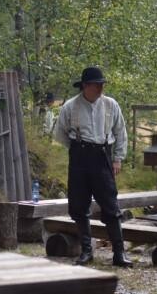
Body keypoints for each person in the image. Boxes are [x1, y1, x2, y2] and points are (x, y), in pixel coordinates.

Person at [54, 66, 132, 267]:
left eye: (102, 85)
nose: (100, 88)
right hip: (79, 156)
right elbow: (60, 133)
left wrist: (118, 158)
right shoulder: (70, 106)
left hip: (102, 155)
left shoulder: (110, 104)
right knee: (79, 205)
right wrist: (77, 148)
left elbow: (121, 132)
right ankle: (87, 251)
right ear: (85, 86)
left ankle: (119, 253)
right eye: (97, 85)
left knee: (111, 205)